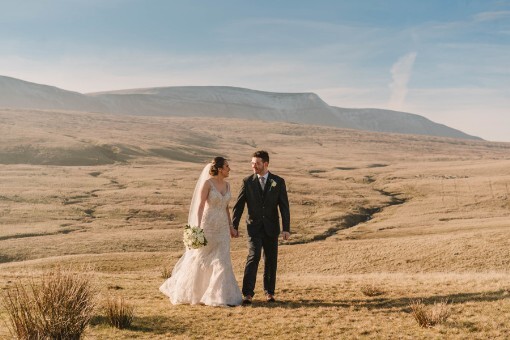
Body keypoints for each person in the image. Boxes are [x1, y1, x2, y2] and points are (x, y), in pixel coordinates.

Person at [159, 157, 243, 307]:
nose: (229, 169)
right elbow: (200, 206)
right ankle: (195, 292)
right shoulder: (207, 184)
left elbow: (226, 207)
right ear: (219, 169)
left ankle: (220, 296)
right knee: (201, 260)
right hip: (208, 226)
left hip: (223, 229)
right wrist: (197, 227)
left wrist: (231, 226)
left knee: (222, 262)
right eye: (227, 166)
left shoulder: (228, 185)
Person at [232, 150, 290, 304]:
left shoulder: (278, 181)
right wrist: (234, 226)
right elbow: (238, 206)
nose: (254, 166)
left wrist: (286, 228)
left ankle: (269, 293)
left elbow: (284, 207)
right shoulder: (247, 182)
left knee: (271, 260)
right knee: (254, 256)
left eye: (257, 163)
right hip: (253, 228)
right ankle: (248, 294)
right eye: (252, 163)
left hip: (271, 228)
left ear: (266, 164)